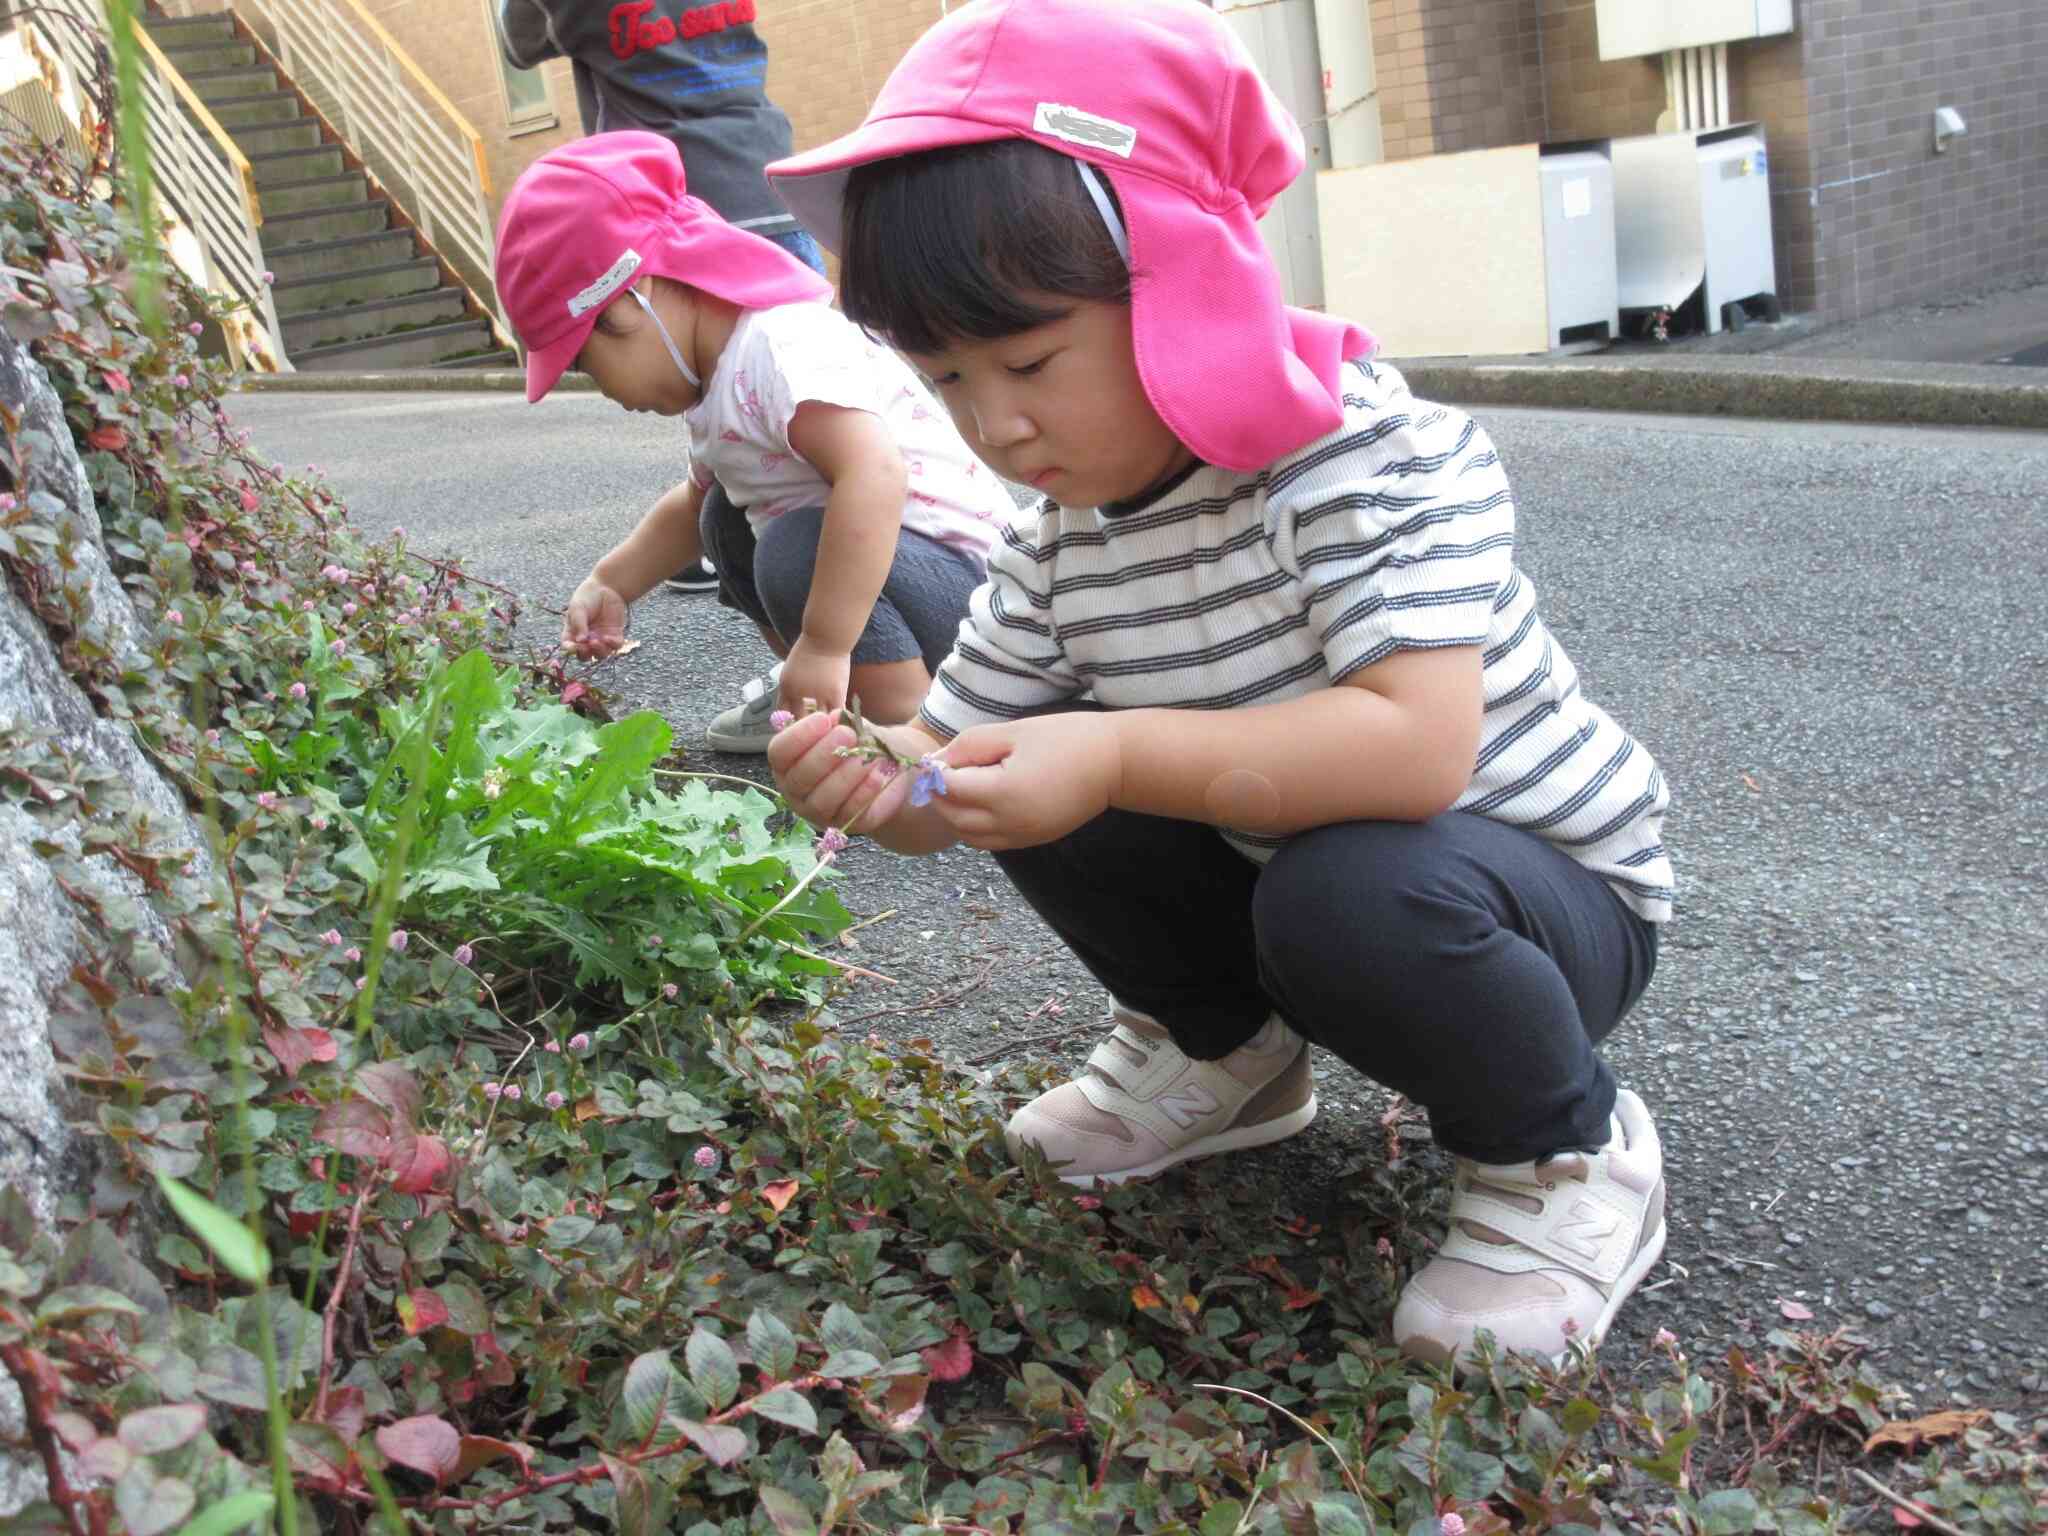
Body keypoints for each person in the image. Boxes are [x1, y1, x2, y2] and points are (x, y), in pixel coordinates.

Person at [758, 0, 1675, 1372]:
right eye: (944, 380)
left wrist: (1113, 755)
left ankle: (1563, 1147)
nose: (994, 424)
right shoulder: (1063, 545)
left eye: (1029, 361)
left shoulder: (1360, 451)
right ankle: (1224, 1052)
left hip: (1530, 904)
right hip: (1307, 886)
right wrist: (878, 781)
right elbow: (950, 759)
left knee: (1343, 885)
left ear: (1184, 275)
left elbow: (1415, 752)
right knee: (1031, 767)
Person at [493, 132, 1012, 747]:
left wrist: (825, 641)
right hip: (902, 589)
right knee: (722, 516)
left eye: (585, 362)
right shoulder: (716, 383)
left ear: (636, 297)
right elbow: (689, 510)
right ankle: (818, 696)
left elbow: (874, 474)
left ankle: (914, 727)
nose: (603, 388)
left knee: (794, 546)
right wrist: (611, 582)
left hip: (981, 605)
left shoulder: (780, 346)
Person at [497, 0, 826, 595]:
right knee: (786, 422)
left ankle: (838, 625)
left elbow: (520, 43)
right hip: (768, 182)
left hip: (663, 210)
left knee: (742, 414)